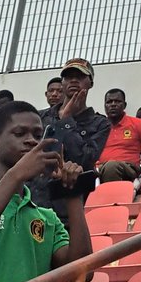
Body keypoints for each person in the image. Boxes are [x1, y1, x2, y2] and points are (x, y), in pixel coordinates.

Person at [0, 101, 92, 282]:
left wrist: (72, 195)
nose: (31, 141)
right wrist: (16, 175)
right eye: (20, 134)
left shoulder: (45, 218)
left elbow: (84, 270)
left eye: (39, 136)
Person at [33, 60, 110, 222]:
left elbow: (85, 159)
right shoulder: (40, 117)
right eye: (68, 77)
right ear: (62, 82)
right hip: (32, 200)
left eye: (80, 76)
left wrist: (66, 121)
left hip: (66, 207)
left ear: (90, 82)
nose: (74, 80)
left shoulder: (99, 123)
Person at [98, 89, 141, 182]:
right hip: (100, 169)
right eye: (109, 102)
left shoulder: (137, 124)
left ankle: (112, 195)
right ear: (105, 106)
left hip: (129, 169)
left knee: (111, 166)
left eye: (117, 101)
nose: (113, 104)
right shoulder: (97, 127)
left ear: (125, 105)